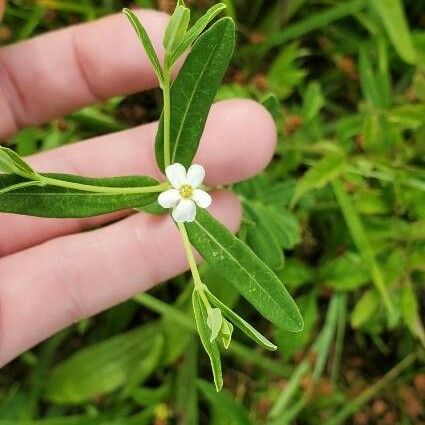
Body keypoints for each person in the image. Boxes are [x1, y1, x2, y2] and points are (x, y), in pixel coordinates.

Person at [0, 8, 276, 366]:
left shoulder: (179, 187)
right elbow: (169, 193)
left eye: (188, 191)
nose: (187, 193)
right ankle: (34, 183)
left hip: (175, 187)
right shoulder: (177, 186)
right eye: (186, 192)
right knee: (50, 184)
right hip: (171, 188)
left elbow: (173, 192)